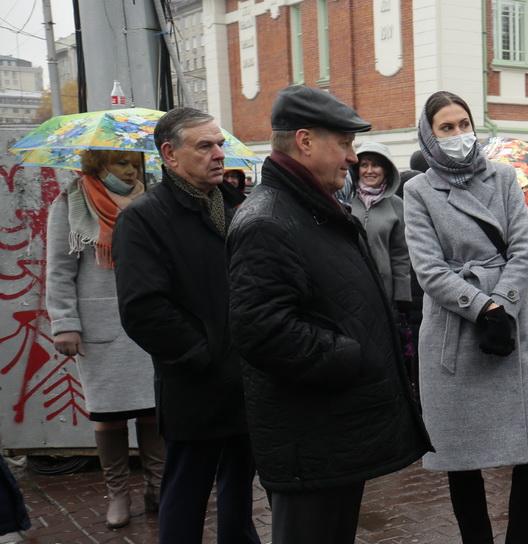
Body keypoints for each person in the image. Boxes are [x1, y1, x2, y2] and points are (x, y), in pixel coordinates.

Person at [227, 85, 431, 543]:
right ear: (305, 141)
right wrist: (348, 356)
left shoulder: (312, 208)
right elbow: (262, 330)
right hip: (309, 440)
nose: (353, 158)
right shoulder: (268, 220)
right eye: (344, 143)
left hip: (332, 433)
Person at [403, 91, 528, 544]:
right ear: (430, 135)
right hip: (455, 330)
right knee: (462, 457)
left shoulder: (503, 177)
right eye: (446, 128)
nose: (459, 134)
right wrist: (482, 307)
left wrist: (502, 304)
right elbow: (428, 269)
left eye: (464, 124)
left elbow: (524, 248)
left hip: (511, 324)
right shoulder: (418, 190)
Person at [113, 107, 260, 544]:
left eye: (220, 144)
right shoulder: (143, 218)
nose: (219, 154)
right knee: (187, 491)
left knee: (240, 486)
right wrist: (204, 353)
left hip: (247, 375)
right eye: (205, 146)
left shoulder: (237, 207)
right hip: (195, 382)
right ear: (170, 155)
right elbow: (143, 309)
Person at [44, 148, 164, 529]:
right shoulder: (71, 202)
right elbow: (59, 269)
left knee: (153, 407)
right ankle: (118, 494)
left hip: (147, 319)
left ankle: (157, 486)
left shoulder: (153, 198)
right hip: (100, 324)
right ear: (98, 165)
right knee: (108, 415)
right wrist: (65, 323)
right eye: (120, 163)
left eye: (133, 163)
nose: (130, 171)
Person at [346, 141, 413, 311]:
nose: (369, 170)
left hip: (383, 291)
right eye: (364, 165)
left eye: (376, 165)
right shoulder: (345, 200)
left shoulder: (397, 205)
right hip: (348, 286)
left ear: (386, 170)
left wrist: (402, 297)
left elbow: (401, 255)